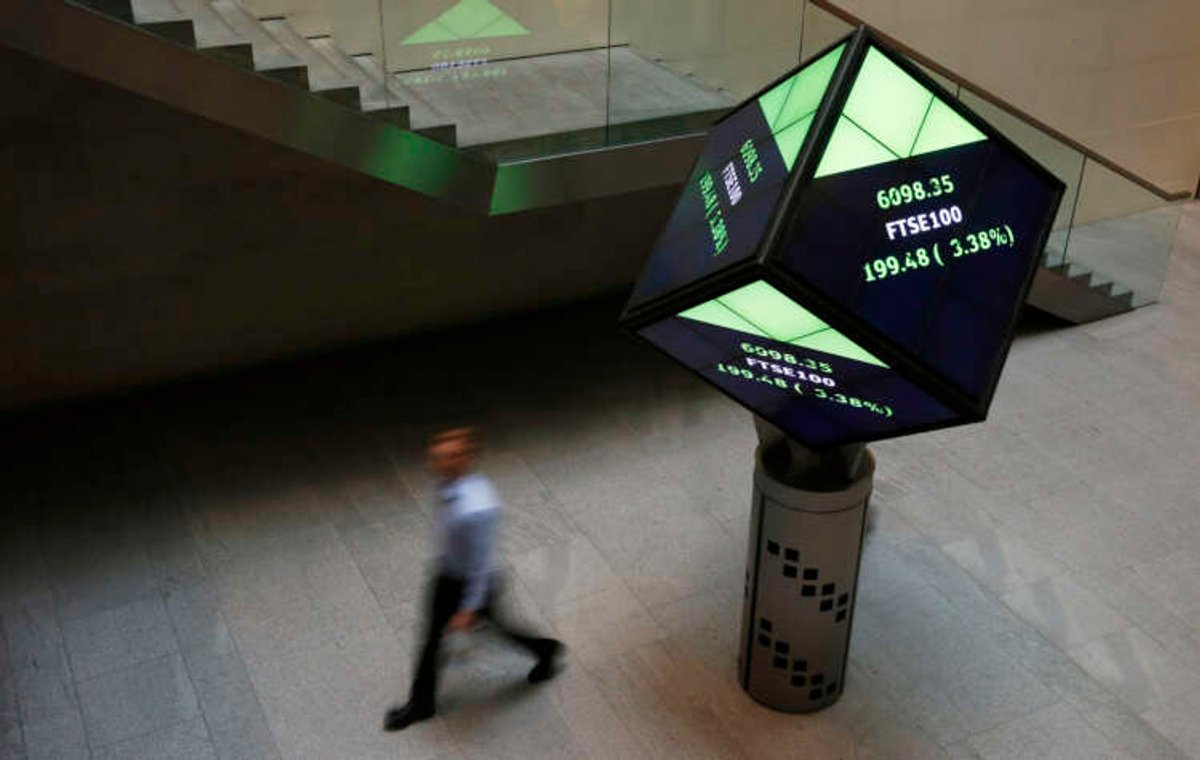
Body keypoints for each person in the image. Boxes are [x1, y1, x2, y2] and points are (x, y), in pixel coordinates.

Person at [384, 427, 564, 731]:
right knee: (430, 640)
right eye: (439, 453)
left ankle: (546, 650)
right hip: (447, 575)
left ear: (466, 459)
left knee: (502, 630)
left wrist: (469, 607)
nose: (440, 459)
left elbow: (483, 562)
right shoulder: (446, 485)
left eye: (451, 454)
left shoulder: (478, 507)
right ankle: (422, 704)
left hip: (473, 585)